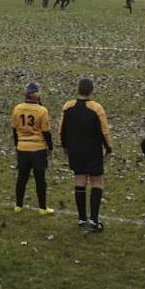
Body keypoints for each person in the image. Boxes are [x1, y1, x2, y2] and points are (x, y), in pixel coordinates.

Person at [59, 78, 113, 231]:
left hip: (75, 150)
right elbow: (104, 131)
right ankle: (94, 220)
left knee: (80, 181)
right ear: (91, 91)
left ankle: (82, 219)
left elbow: (61, 129)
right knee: (97, 182)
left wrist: (64, 146)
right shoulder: (96, 108)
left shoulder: (68, 106)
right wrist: (108, 148)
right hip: (92, 150)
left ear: (78, 90)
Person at [11, 82, 54, 215]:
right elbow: (46, 132)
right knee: (40, 179)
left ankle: (18, 205)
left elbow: (14, 129)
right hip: (38, 148)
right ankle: (42, 207)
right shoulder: (42, 110)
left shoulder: (17, 108)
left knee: (22, 177)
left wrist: (16, 146)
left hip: (22, 147)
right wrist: (50, 147)